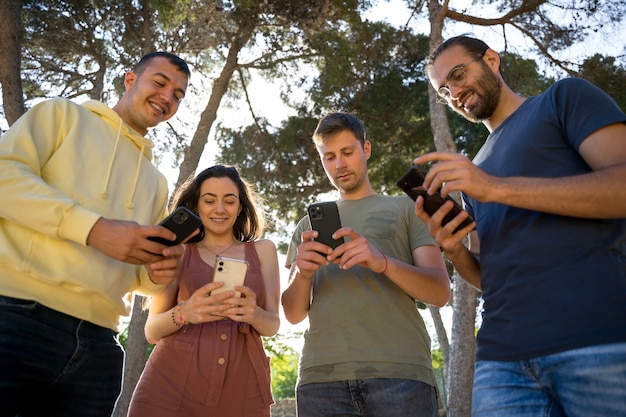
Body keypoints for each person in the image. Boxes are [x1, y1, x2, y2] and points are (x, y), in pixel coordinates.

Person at [416, 34, 626, 416]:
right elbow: (487, 276)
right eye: (444, 91)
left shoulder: (563, 99)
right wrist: (454, 250)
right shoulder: (474, 172)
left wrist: (495, 188)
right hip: (502, 359)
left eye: (459, 75)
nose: (455, 92)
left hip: (597, 336)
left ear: (492, 60)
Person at [0, 51, 192, 417]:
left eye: (179, 95)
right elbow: (4, 176)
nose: (168, 97)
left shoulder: (156, 182)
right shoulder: (61, 115)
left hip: (100, 347)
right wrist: (93, 229)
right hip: (16, 320)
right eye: (161, 82)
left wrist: (155, 273)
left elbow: (139, 276)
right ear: (130, 79)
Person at [281, 111, 451, 417]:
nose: (339, 164)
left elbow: (439, 292)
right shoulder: (307, 224)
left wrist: (382, 262)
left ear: (366, 149)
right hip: (321, 379)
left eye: (347, 152)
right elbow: (292, 314)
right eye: (329, 156)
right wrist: (303, 275)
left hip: (401, 375)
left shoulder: (407, 208)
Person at [127, 164, 281, 417]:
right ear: (196, 206)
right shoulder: (179, 251)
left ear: (240, 206)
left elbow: (272, 325)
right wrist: (185, 312)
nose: (219, 209)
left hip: (243, 390)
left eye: (229, 201)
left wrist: (253, 313)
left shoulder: (263, 251)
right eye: (209, 200)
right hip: (169, 388)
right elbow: (152, 330)